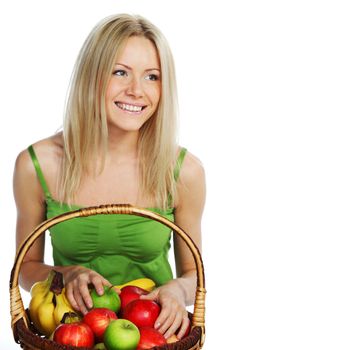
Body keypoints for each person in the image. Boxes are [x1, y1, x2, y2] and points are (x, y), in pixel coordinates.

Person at [13, 13, 205, 340]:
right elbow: (26, 269)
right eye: (120, 72)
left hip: (154, 337)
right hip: (71, 334)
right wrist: (64, 273)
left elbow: (193, 275)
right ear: (92, 77)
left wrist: (176, 290)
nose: (136, 91)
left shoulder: (183, 171)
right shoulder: (38, 165)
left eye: (152, 77)